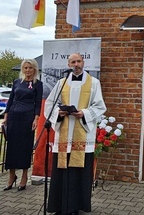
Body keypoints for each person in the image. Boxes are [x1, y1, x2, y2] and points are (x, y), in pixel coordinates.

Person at [44, 53, 106, 215]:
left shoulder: (94, 83)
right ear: (69, 64)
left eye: (78, 61)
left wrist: (83, 113)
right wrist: (59, 113)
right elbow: (50, 103)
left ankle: (76, 207)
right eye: (73, 61)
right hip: (64, 134)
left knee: (79, 173)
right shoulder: (61, 83)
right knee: (62, 172)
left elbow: (99, 106)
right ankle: (59, 206)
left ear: (83, 62)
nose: (76, 64)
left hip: (82, 136)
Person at [2, 59, 43, 191]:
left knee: (25, 146)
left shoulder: (38, 84)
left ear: (34, 69)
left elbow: (38, 103)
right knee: (12, 146)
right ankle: (12, 175)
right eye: (25, 68)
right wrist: (6, 115)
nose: (28, 70)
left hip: (28, 117)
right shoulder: (16, 82)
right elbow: (10, 99)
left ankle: (24, 176)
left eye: (30, 68)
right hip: (14, 115)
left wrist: (36, 119)